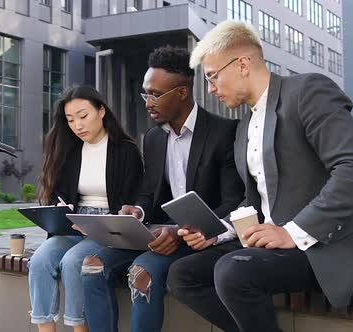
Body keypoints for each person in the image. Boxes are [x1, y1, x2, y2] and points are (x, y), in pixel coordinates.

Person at [167, 20, 353, 332]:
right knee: (183, 274)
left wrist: (293, 232)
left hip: (323, 246)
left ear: (243, 64)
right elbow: (254, 200)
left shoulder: (307, 92)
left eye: (212, 76)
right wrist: (217, 232)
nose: (210, 89)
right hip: (275, 246)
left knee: (233, 272)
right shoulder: (245, 124)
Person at [80, 46, 244, 332]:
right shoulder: (154, 138)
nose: (147, 102)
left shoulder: (224, 132)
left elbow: (232, 202)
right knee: (92, 264)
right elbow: (149, 192)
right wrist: (138, 210)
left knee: (142, 272)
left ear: (181, 93)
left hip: (202, 240)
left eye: (155, 94)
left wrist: (180, 232)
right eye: (146, 93)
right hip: (159, 234)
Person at [28, 85, 143, 332]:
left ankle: (79, 328)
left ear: (101, 111)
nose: (78, 125)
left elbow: (131, 203)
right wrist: (60, 209)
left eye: (83, 116)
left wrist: (98, 224)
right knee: (40, 260)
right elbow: (58, 193)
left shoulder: (125, 150)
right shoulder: (69, 150)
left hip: (106, 227)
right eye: (70, 120)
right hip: (74, 223)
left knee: (73, 261)